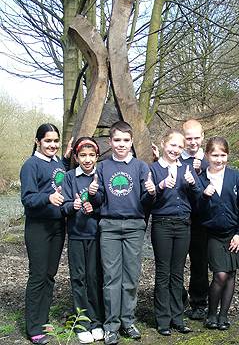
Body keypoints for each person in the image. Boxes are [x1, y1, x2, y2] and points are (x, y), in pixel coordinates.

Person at [88, 121, 156, 345]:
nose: (121, 144)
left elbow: (146, 203)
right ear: (110, 142)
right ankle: (111, 326)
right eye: (117, 140)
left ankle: (128, 321)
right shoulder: (103, 167)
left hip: (135, 226)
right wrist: (93, 193)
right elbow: (98, 202)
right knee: (111, 278)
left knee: (131, 277)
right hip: (109, 226)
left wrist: (151, 193)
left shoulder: (140, 167)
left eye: (126, 140)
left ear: (132, 141)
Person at [20, 123, 69, 345]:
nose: (53, 145)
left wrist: (67, 157)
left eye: (55, 141)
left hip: (58, 226)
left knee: (50, 275)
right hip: (38, 227)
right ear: (38, 141)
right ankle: (33, 327)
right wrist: (47, 198)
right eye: (48, 141)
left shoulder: (58, 162)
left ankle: (43, 319)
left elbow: (61, 179)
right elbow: (28, 199)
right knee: (38, 275)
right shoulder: (30, 165)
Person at [149, 129, 201, 336]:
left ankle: (177, 318)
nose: (176, 150)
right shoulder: (153, 169)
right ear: (163, 144)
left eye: (180, 147)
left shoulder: (187, 168)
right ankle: (162, 320)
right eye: (173, 145)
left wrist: (193, 184)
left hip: (183, 226)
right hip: (162, 224)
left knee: (177, 273)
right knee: (163, 273)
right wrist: (160, 187)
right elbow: (148, 202)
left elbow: (197, 199)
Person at [198, 136, 239, 330]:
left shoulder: (236, 177)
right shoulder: (201, 179)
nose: (218, 159)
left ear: (227, 156)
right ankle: (211, 314)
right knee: (220, 275)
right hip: (213, 235)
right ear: (207, 155)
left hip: (234, 234)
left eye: (223, 155)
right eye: (214, 155)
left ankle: (223, 316)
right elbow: (196, 209)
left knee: (230, 274)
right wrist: (204, 196)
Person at [61, 137, 104, 344]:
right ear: (76, 157)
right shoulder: (70, 177)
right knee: (79, 278)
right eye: (83, 156)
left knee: (94, 278)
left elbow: (107, 204)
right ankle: (82, 323)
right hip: (77, 235)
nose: (87, 160)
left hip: (96, 235)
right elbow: (64, 206)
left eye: (91, 155)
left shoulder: (101, 176)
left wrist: (93, 208)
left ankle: (96, 322)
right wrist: (74, 206)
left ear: (97, 157)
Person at [180, 119, 209, 320]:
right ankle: (178, 299)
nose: (192, 142)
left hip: (201, 220)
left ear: (202, 137)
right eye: (188, 138)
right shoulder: (174, 157)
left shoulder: (210, 160)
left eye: (196, 138)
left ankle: (199, 303)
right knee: (176, 263)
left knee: (199, 263)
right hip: (179, 218)